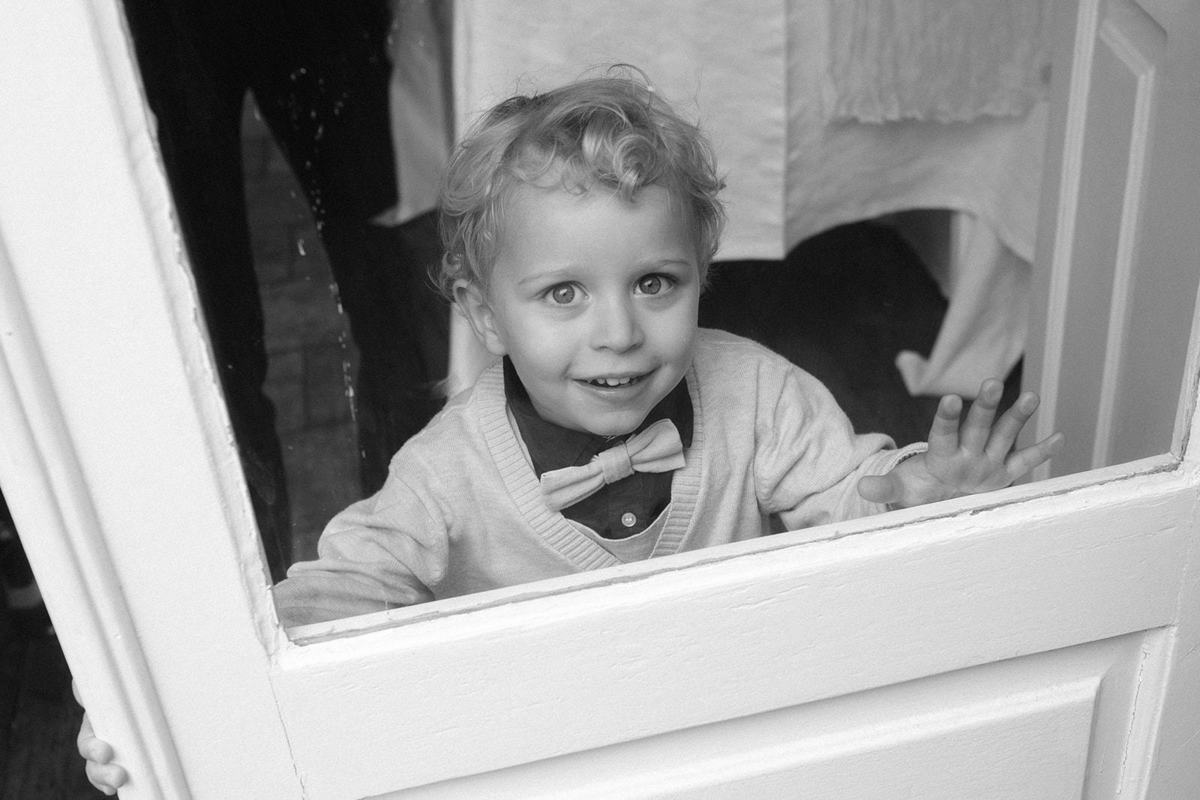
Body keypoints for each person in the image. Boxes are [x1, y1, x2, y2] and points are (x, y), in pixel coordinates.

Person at [78, 68, 1063, 792]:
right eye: (563, 293)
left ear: (701, 274)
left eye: (656, 282)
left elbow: (846, 496)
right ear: (483, 311)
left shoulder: (757, 392)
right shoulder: (444, 472)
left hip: (730, 727)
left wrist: (913, 494)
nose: (619, 331)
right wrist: (183, 699)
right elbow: (338, 594)